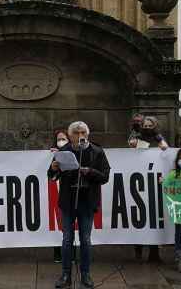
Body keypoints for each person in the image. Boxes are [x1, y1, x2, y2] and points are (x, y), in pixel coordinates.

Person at [50, 121, 110, 289]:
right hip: (68, 201)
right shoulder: (64, 151)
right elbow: (51, 176)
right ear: (70, 136)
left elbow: (105, 176)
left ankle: (85, 274)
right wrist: (54, 168)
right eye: (75, 133)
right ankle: (65, 274)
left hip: (87, 201)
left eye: (82, 132)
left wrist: (90, 172)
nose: (79, 135)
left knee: (85, 239)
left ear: (87, 134)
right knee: (67, 238)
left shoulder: (97, 151)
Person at [132, 115, 167, 263]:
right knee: (139, 215)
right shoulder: (136, 137)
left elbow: (166, 150)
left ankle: (154, 252)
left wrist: (161, 143)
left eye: (149, 125)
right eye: (144, 125)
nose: (147, 127)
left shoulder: (159, 139)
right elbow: (132, 150)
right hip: (139, 182)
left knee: (154, 216)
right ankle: (138, 247)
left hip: (155, 183)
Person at [49, 129, 69, 264]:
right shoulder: (51, 154)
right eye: (59, 139)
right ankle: (57, 252)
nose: (61, 141)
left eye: (64, 139)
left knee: (69, 227)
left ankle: (70, 253)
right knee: (56, 224)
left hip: (68, 194)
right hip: (55, 195)